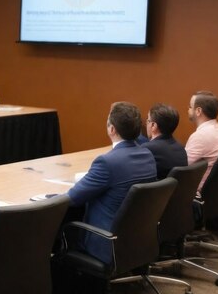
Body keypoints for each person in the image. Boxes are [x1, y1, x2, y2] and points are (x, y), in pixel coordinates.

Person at [66, 102, 157, 263]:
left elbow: (73, 198)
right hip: (137, 238)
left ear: (112, 129)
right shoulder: (147, 155)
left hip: (106, 241)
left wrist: (46, 198)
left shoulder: (107, 162)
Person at [185, 91, 218, 192]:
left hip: (200, 196)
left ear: (198, 111)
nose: (188, 109)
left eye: (190, 106)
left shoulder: (200, 136)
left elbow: (182, 167)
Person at [140, 103, 187, 179]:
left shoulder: (147, 149)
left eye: (148, 120)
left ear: (153, 126)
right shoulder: (181, 147)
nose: (146, 124)